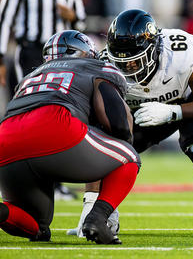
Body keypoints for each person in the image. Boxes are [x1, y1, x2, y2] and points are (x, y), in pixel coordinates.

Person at [66, 9, 193, 238]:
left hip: (188, 99)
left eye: (135, 61)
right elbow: (99, 130)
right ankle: (102, 213)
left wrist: (173, 112)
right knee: (107, 144)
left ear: (154, 49)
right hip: (144, 110)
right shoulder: (104, 65)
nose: (128, 69)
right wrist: (89, 207)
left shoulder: (181, 54)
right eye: (122, 63)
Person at [0, 30, 139, 245]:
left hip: (5, 140)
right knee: (129, 156)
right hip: (54, 125)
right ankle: (98, 218)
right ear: (87, 53)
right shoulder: (96, 67)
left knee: (37, 226)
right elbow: (117, 123)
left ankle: (3, 212)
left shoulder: (30, 77)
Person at [0, 0, 86, 201]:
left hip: (60, 57)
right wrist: (0, 58)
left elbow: (81, 24)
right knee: (24, 112)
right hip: (30, 54)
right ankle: (13, 178)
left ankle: (53, 182)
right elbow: (4, 20)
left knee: (58, 114)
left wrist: (71, 16)